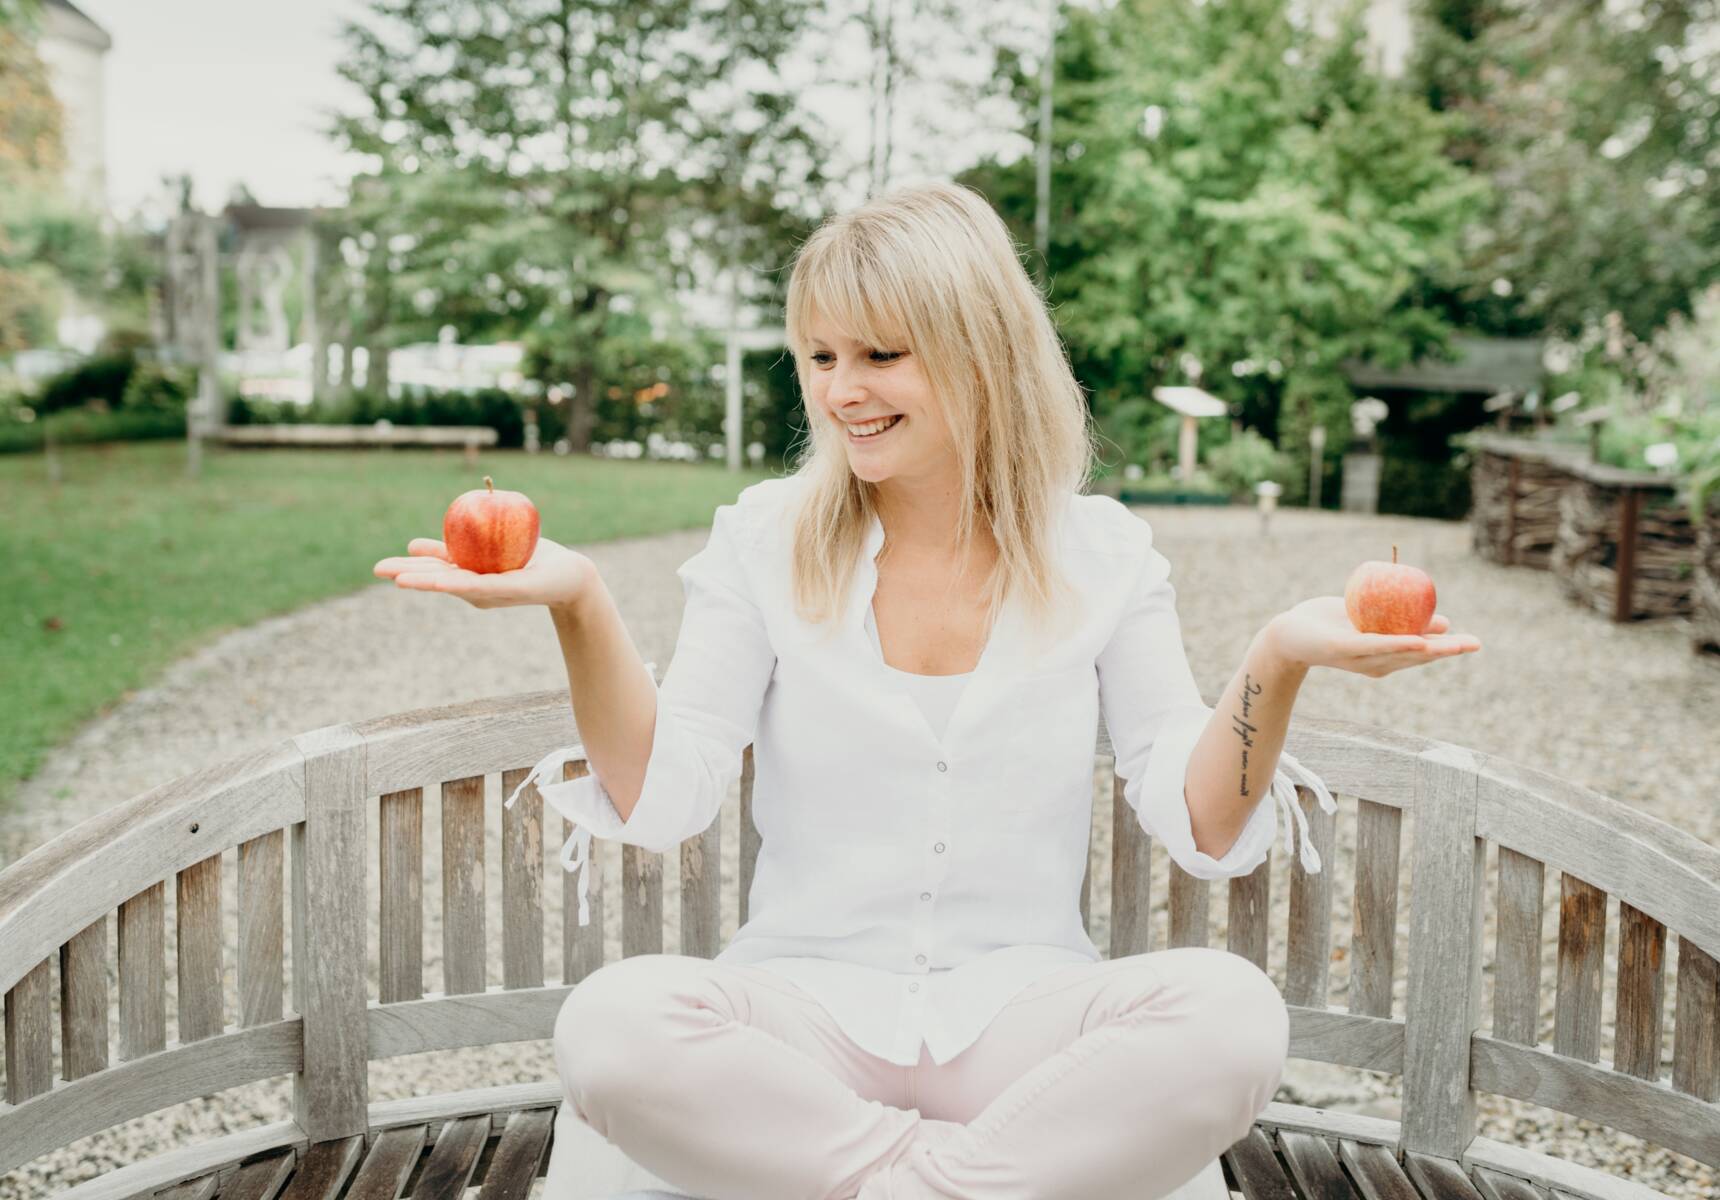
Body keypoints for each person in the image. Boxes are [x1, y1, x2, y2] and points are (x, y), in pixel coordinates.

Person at [372, 181, 1482, 1200]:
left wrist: (1280, 656)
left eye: (879, 355)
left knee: (1232, 1016)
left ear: (979, 352)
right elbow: (666, 799)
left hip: (1022, 1022)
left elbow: (1196, 822)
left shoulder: (1102, 552)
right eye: (817, 357)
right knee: (612, 1026)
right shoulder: (763, 538)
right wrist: (579, 603)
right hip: (802, 1016)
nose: (841, 392)